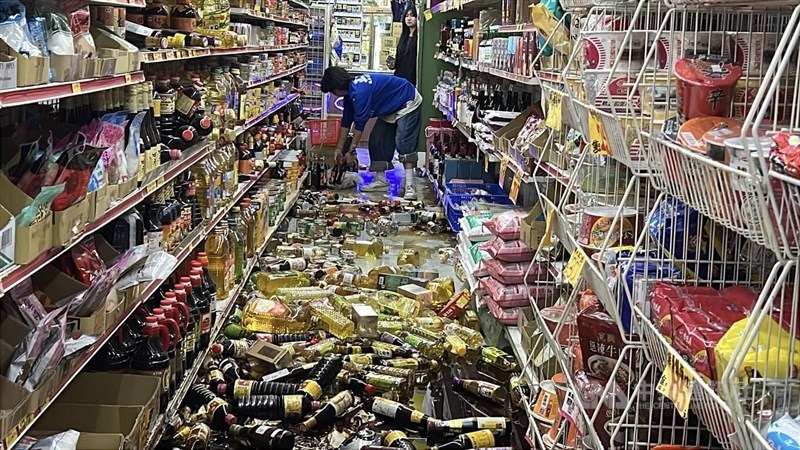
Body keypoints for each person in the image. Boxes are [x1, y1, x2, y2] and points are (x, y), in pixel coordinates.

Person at [320, 66, 422, 199]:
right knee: (377, 140)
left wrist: (351, 152)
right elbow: (346, 121)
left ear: (337, 88)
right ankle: (381, 181)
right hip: (389, 107)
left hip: (406, 101)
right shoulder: (350, 93)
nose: (332, 94)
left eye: (332, 91)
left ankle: (410, 184)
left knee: (404, 142)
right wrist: (339, 148)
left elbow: (359, 125)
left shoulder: (360, 92)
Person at [392, 5, 418, 86]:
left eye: (412, 15)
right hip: (399, 79)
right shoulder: (403, 37)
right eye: (406, 16)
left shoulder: (419, 38)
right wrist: (392, 63)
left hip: (412, 80)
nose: (409, 18)